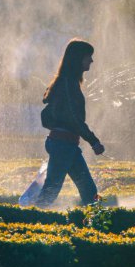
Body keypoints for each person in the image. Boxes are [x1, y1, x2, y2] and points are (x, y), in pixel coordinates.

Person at [37, 38, 105, 208]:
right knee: (50, 191)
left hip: (67, 145)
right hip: (63, 145)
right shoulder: (68, 83)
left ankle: (94, 225)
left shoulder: (68, 82)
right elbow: (74, 118)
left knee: (89, 191)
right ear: (77, 58)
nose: (91, 60)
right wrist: (93, 140)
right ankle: (31, 218)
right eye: (88, 56)